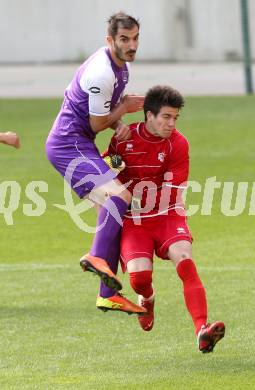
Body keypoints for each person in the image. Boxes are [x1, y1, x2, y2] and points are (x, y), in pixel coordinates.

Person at [104, 85, 225, 353]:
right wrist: (115, 166)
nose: (171, 123)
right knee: (139, 278)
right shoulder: (124, 138)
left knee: (185, 261)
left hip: (167, 213)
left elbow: (175, 191)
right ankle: (147, 298)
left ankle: (202, 331)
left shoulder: (178, 144)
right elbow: (105, 169)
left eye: (175, 118)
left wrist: (147, 199)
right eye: (166, 117)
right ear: (149, 115)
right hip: (134, 220)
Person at [45, 12, 146, 315]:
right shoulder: (103, 72)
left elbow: (103, 114)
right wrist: (123, 111)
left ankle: (108, 295)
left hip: (80, 144)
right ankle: (95, 256)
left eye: (135, 38)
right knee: (120, 198)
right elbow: (97, 120)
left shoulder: (121, 67)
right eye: (124, 39)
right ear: (110, 40)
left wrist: (118, 122)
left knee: (113, 212)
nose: (131, 45)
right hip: (68, 145)